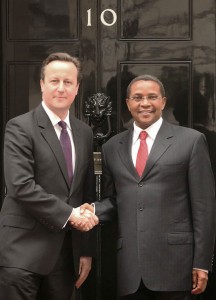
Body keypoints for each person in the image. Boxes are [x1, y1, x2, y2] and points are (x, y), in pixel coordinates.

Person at [81, 74, 216, 300]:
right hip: (130, 270)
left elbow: (204, 206)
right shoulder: (112, 147)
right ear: (128, 103)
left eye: (152, 97)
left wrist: (202, 263)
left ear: (163, 102)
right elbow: (116, 199)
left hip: (177, 267)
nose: (145, 103)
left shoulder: (191, 141)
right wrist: (92, 211)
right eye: (137, 97)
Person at [0, 52, 98, 300]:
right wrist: (70, 214)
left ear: (77, 88)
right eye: (54, 81)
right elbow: (20, 186)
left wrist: (85, 250)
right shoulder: (20, 127)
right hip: (23, 253)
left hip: (66, 257)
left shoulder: (84, 133)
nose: (61, 88)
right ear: (42, 84)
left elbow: (84, 193)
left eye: (68, 82)